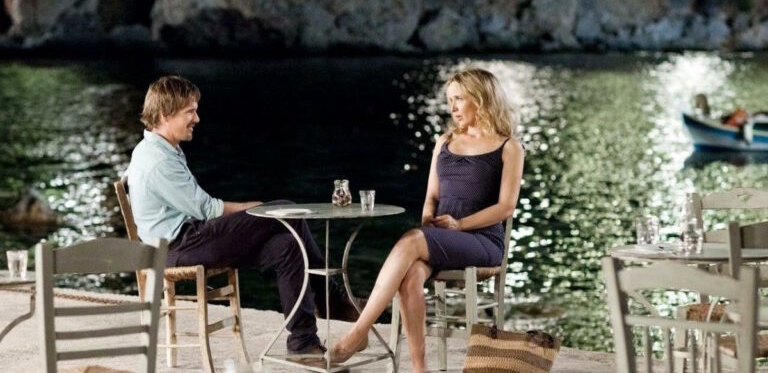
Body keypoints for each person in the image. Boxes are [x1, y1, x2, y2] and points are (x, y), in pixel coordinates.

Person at [125, 75, 358, 364]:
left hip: (186, 239)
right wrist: (253, 208)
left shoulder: (159, 150)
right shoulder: (158, 160)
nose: (197, 118)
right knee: (286, 210)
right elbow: (206, 209)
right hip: (180, 246)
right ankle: (332, 299)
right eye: (190, 112)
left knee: (287, 245)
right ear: (164, 114)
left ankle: (302, 342)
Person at [329, 68, 525, 372]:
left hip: (482, 241)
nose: (453, 107)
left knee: (411, 240)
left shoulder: (508, 147)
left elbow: (506, 208)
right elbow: (432, 196)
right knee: (411, 275)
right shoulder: (444, 142)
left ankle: (358, 333)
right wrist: (427, 222)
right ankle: (420, 369)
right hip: (441, 239)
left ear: (482, 99)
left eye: (459, 99)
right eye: (450, 100)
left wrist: (459, 225)